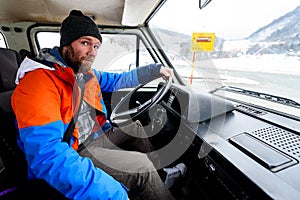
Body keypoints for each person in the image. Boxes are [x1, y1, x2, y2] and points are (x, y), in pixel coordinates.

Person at [11, 10, 186, 200]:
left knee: (134, 126)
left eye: (96, 46)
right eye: (85, 43)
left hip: (95, 136)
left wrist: (155, 70)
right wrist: (112, 192)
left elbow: (119, 80)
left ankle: (159, 178)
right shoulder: (38, 83)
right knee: (141, 166)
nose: (92, 52)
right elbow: (47, 156)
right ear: (66, 45)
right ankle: (150, 181)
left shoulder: (84, 73)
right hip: (76, 150)